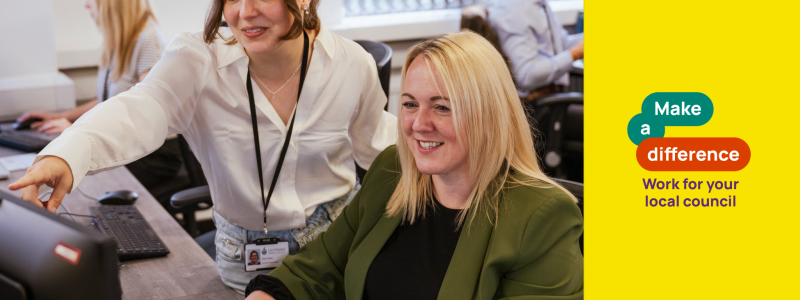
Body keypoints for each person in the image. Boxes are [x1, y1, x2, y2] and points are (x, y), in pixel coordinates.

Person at [9, 0, 395, 294]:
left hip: (332, 246)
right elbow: (141, 107)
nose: (244, 13)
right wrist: (65, 153)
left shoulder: (351, 64)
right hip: (243, 253)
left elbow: (379, 147)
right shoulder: (197, 60)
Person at [243, 31, 583, 300]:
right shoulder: (393, 171)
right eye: (409, 104)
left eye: (441, 107)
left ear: (487, 115)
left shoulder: (542, 216)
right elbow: (320, 268)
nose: (419, 124)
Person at [15, 0, 183, 195]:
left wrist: (84, 134)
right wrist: (65, 116)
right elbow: (108, 100)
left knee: (80, 188)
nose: (86, 5)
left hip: (154, 156)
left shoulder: (149, 40)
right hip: (127, 146)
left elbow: (146, 116)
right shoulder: (120, 38)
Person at [489, 0, 584, 101]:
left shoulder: (539, 4)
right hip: (536, 104)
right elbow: (526, 75)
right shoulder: (514, 11)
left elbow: (561, 44)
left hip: (551, 93)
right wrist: (574, 54)